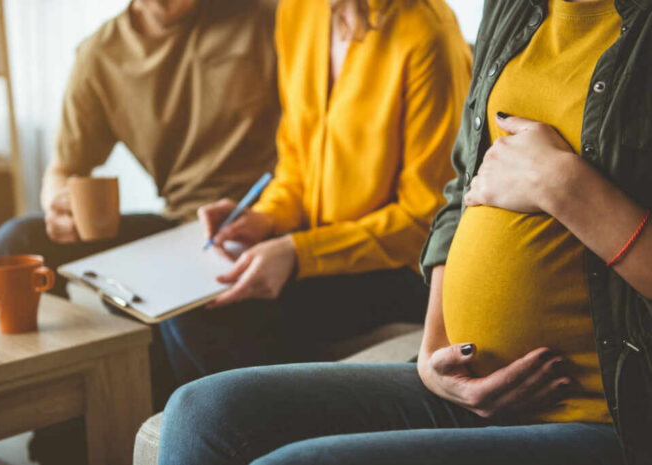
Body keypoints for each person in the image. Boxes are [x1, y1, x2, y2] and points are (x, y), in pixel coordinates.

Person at [157, 0, 652, 463]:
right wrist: (431, 354)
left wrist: (564, 185)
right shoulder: (510, 7)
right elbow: (460, 191)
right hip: (468, 378)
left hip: (610, 409)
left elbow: (419, 213)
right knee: (199, 413)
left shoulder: (425, 33)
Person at [0, 0, 279, 463]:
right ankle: (63, 441)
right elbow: (64, 166)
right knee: (19, 242)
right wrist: (59, 203)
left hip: (260, 217)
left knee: (171, 296)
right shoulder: (102, 52)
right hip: (177, 220)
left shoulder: (266, 17)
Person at [158, 0, 472, 384]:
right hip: (318, 245)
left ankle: (269, 426)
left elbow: (426, 221)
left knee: (201, 318)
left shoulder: (428, 35)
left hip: (402, 268)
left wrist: (298, 254)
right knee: (180, 302)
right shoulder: (297, 10)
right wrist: (266, 216)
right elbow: (295, 160)